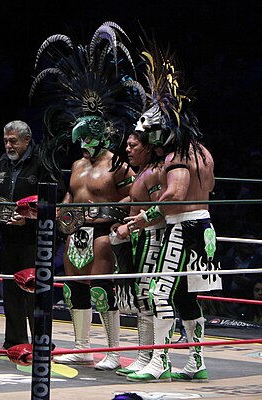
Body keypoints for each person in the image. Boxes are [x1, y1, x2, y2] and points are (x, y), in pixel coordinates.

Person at [29, 23, 144, 370]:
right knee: (74, 288)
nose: (81, 145)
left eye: (85, 139)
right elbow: (68, 194)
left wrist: (111, 211)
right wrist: (62, 214)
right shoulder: (77, 165)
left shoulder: (118, 165)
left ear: (98, 136)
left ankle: (111, 350)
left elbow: (134, 197)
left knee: (101, 289)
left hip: (103, 230)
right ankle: (82, 345)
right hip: (75, 231)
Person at [125, 42, 222, 383]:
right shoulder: (203, 151)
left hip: (183, 226)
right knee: (184, 296)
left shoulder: (177, 155)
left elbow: (176, 194)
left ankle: (161, 359)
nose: (154, 142)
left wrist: (142, 217)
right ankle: (195, 362)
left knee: (157, 293)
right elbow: (206, 189)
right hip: (204, 224)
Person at [0, 120, 65, 351]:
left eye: (13, 141)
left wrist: (28, 217)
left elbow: (56, 197)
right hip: (9, 238)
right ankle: (14, 340)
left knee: (36, 291)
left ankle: (41, 341)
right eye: (6, 140)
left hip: (37, 239)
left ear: (27, 140)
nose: (8, 145)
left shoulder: (43, 162)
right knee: (11, 289)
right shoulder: (1, 164)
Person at [112, 130, 166, 376]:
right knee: (141, 299)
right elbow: (139, 202)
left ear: (147, 147)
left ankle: (151, 357)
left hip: (152, 238)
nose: (128, 150)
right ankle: (144, 356)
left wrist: (130, 226)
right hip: (139, 238)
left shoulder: (154, 172)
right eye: (128, 145)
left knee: (148, 299)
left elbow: (159, 209)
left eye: (133, 145)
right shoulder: (142, 172)